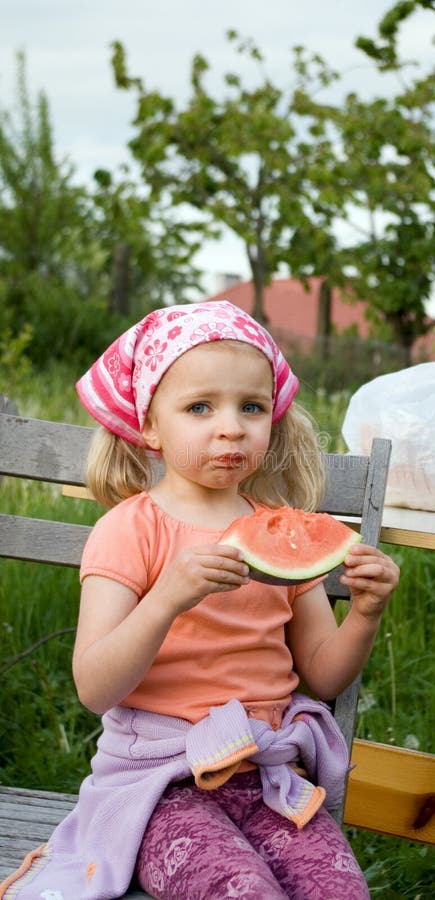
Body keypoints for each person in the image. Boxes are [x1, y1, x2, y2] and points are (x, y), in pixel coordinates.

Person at [0, 301, 399, 900]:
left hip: (270, 778)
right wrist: (168, 597)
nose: (231, 427)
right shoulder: (129, 530)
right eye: (199, 407)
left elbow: (322, 676)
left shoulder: (283, 532)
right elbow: (95, 688)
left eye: (251, 407)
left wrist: (365, 613)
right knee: (242, 890)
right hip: (162, 785)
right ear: (150, 426)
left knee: (340, 893)